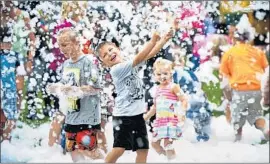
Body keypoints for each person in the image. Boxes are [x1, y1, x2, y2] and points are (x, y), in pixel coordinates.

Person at [95, 28, 174, 163]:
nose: (109, 54)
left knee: (143, 149)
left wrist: (164, 40)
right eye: (105, 55)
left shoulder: (126, 63)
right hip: (123, 117)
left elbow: (148, 55)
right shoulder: (117, 69)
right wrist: (153, 40)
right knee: (119, 149)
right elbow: (139, 57)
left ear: (117, 48)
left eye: (110, 50)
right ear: (104, 64)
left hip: (137, 115)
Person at [47, 28, 103, 162]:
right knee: (73, 150)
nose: (61, 49)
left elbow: (96, 87)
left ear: (77, 43)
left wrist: (77, 90)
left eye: (65, 45)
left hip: (87, 116)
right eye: (59, 45)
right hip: (72, 115)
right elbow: (67, 86)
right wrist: (57, 87)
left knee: (90, 151)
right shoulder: (66, 64)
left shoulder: (88, 62)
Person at [220, 29, 269, 142]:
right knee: (257, 116)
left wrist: (228, 98)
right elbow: (267, 71)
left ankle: (237, 140)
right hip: (257, 88)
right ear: (249, 39)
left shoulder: (229, 53)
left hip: (239, 89)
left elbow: (224, 80)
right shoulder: (257, 52)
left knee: (237, 118)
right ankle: (266, 128)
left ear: (235, 38)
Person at [0, 0, 35, 142]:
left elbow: (32, 38)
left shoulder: (23, 15)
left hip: (19, 56)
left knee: (18, 90)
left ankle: (14, 118)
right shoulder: (2, 15)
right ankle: (6, 123)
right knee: (8, 90)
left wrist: (30, 58)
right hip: (6, 56)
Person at [143, 58, 187, 160]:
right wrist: (146, 117)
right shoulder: (157, 89)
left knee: (168, 144)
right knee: (154, 144)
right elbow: (155, 107)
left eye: (165, 74)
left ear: (171, 73)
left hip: (170, 121)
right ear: (154, 75)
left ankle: (172, 160)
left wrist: (181, 113)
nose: (162, 77)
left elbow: (184, 99)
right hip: (160, 122)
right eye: (159, 74)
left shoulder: (173, 87)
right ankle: (166, 159)